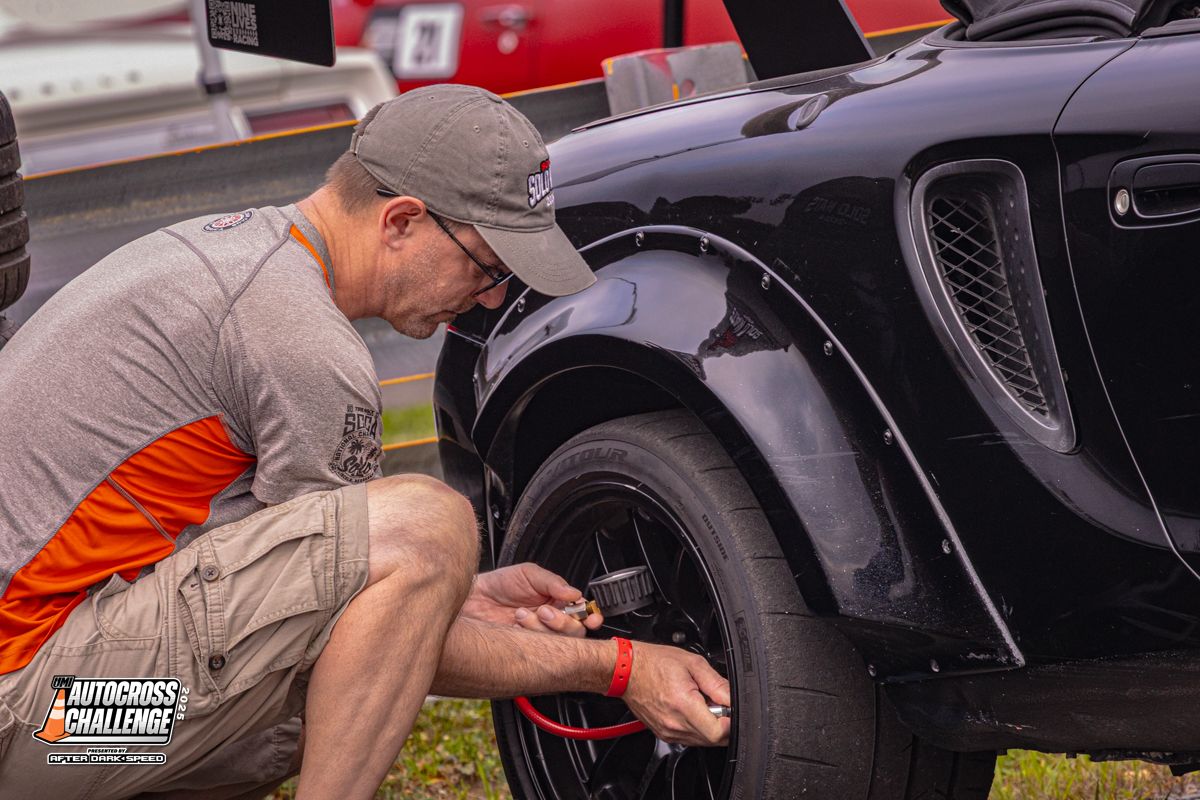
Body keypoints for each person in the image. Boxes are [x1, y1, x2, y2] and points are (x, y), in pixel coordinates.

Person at [0, 85, 730, 798]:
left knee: (313, 697)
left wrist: (456, 596)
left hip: (52, 706)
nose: (492, 297)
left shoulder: (233, 259)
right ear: (402, 220)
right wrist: (621, 668)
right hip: (45, 724)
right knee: (424, 532)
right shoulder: (300, 341)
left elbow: (308, 592)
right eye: (487, 265)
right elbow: (348, 617)